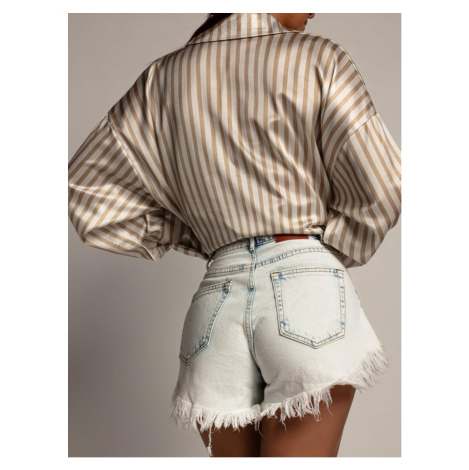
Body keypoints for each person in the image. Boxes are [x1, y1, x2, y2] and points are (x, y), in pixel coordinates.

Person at [68, 13, 401, 457]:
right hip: (305, 290)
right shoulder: (317, 56)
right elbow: (384, 184)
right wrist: (319, 256)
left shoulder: (161, 79)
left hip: (215, 300)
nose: (313, 9)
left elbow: (85, 191)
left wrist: (200, 231)